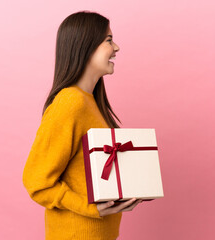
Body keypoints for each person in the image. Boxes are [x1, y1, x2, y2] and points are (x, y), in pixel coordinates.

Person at [22, 11, 143, 240]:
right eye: (108, 40)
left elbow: (86, 175)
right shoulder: (71, 102)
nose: (116, 47)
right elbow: (36, 182)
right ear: (86, 47)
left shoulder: (90, 102)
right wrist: (90, 208)